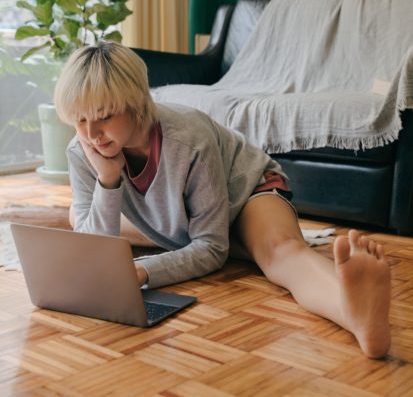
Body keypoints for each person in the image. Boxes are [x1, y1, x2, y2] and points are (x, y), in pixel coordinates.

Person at [54, 41, 391, 359]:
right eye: (79, 119)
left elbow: (211, 249)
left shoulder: (188, 138)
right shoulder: (83, 151)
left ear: (136, 101)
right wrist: (108, 180)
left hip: (243, 195)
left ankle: (353, 311)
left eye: (103, 116)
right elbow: (94, 255)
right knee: (78, 215)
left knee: (279, 252)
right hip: (188, 219)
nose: (90, 134)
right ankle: (341, 302)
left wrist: (141, 271)